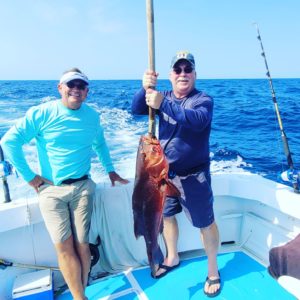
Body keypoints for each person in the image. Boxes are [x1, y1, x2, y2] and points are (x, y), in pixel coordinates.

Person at [1, 68, 129, 300]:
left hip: (82, 188)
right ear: (60, 88)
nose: (76, 90)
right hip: (51, 191)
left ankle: (81, 293)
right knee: (64, 247)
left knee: (82, 246)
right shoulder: (42, 113)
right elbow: (9, 142)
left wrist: (110, 171)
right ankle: (80, 297)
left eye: (81, 86)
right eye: (71, 85)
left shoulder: (92, 116)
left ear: (87, 92)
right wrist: (30, 177)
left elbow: (99, 144)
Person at [131, 51, 221, 297]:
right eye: (178, 69)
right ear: (170, 75)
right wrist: (145, 89)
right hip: (163, 175)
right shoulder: (164, 96)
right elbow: (136, 109)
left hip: (194, 177)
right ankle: (172, 256)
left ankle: (213, 271)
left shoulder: (203, 100)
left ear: (194, 74)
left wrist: (163, 103)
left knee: (205, 223)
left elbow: (195, 121)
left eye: (187, 69)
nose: (183, 74)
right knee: (166, 217)